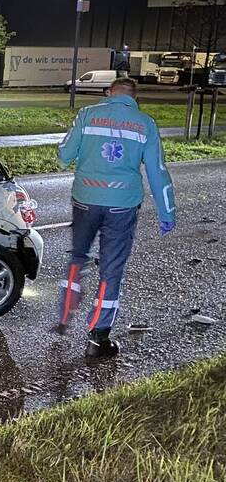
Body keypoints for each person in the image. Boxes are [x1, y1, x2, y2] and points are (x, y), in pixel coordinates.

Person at [55, 77, 176, 357]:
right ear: (136, 98)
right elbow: (157, 172)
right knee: (111, 268)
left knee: (78, 256)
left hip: (85, 199)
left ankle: (64, 313)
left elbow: (64, 154)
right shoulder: (145, 124)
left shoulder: (87, 115)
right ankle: (98, 337)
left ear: (108, 94)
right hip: (122, 204)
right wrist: (167, 212)